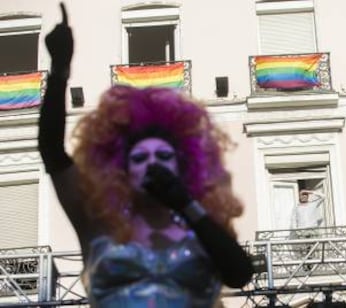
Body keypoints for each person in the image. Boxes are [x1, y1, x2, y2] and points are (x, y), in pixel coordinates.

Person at [38, 4, 253, 307]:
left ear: (183, 167)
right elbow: (52, 152)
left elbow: (240, 273)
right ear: (123, 171)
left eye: (164, 157)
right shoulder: (97, 224)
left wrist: (185, 204)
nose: (153, 163)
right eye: (139, 158)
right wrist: (60, 69)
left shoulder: (201, 229)